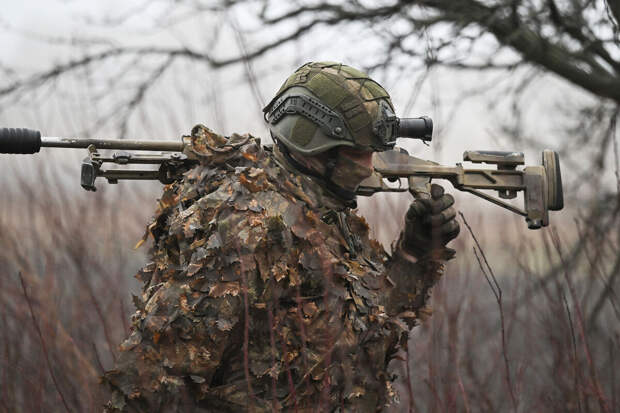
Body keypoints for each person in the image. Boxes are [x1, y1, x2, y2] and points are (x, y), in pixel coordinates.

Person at [104, 61, 459, 412]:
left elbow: (369, 340)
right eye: (357, 153)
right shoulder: (244, 228)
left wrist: (414, 255)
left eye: (372, 153)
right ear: (314, 149)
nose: (369, 167)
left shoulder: (329, 217)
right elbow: (153, 384)